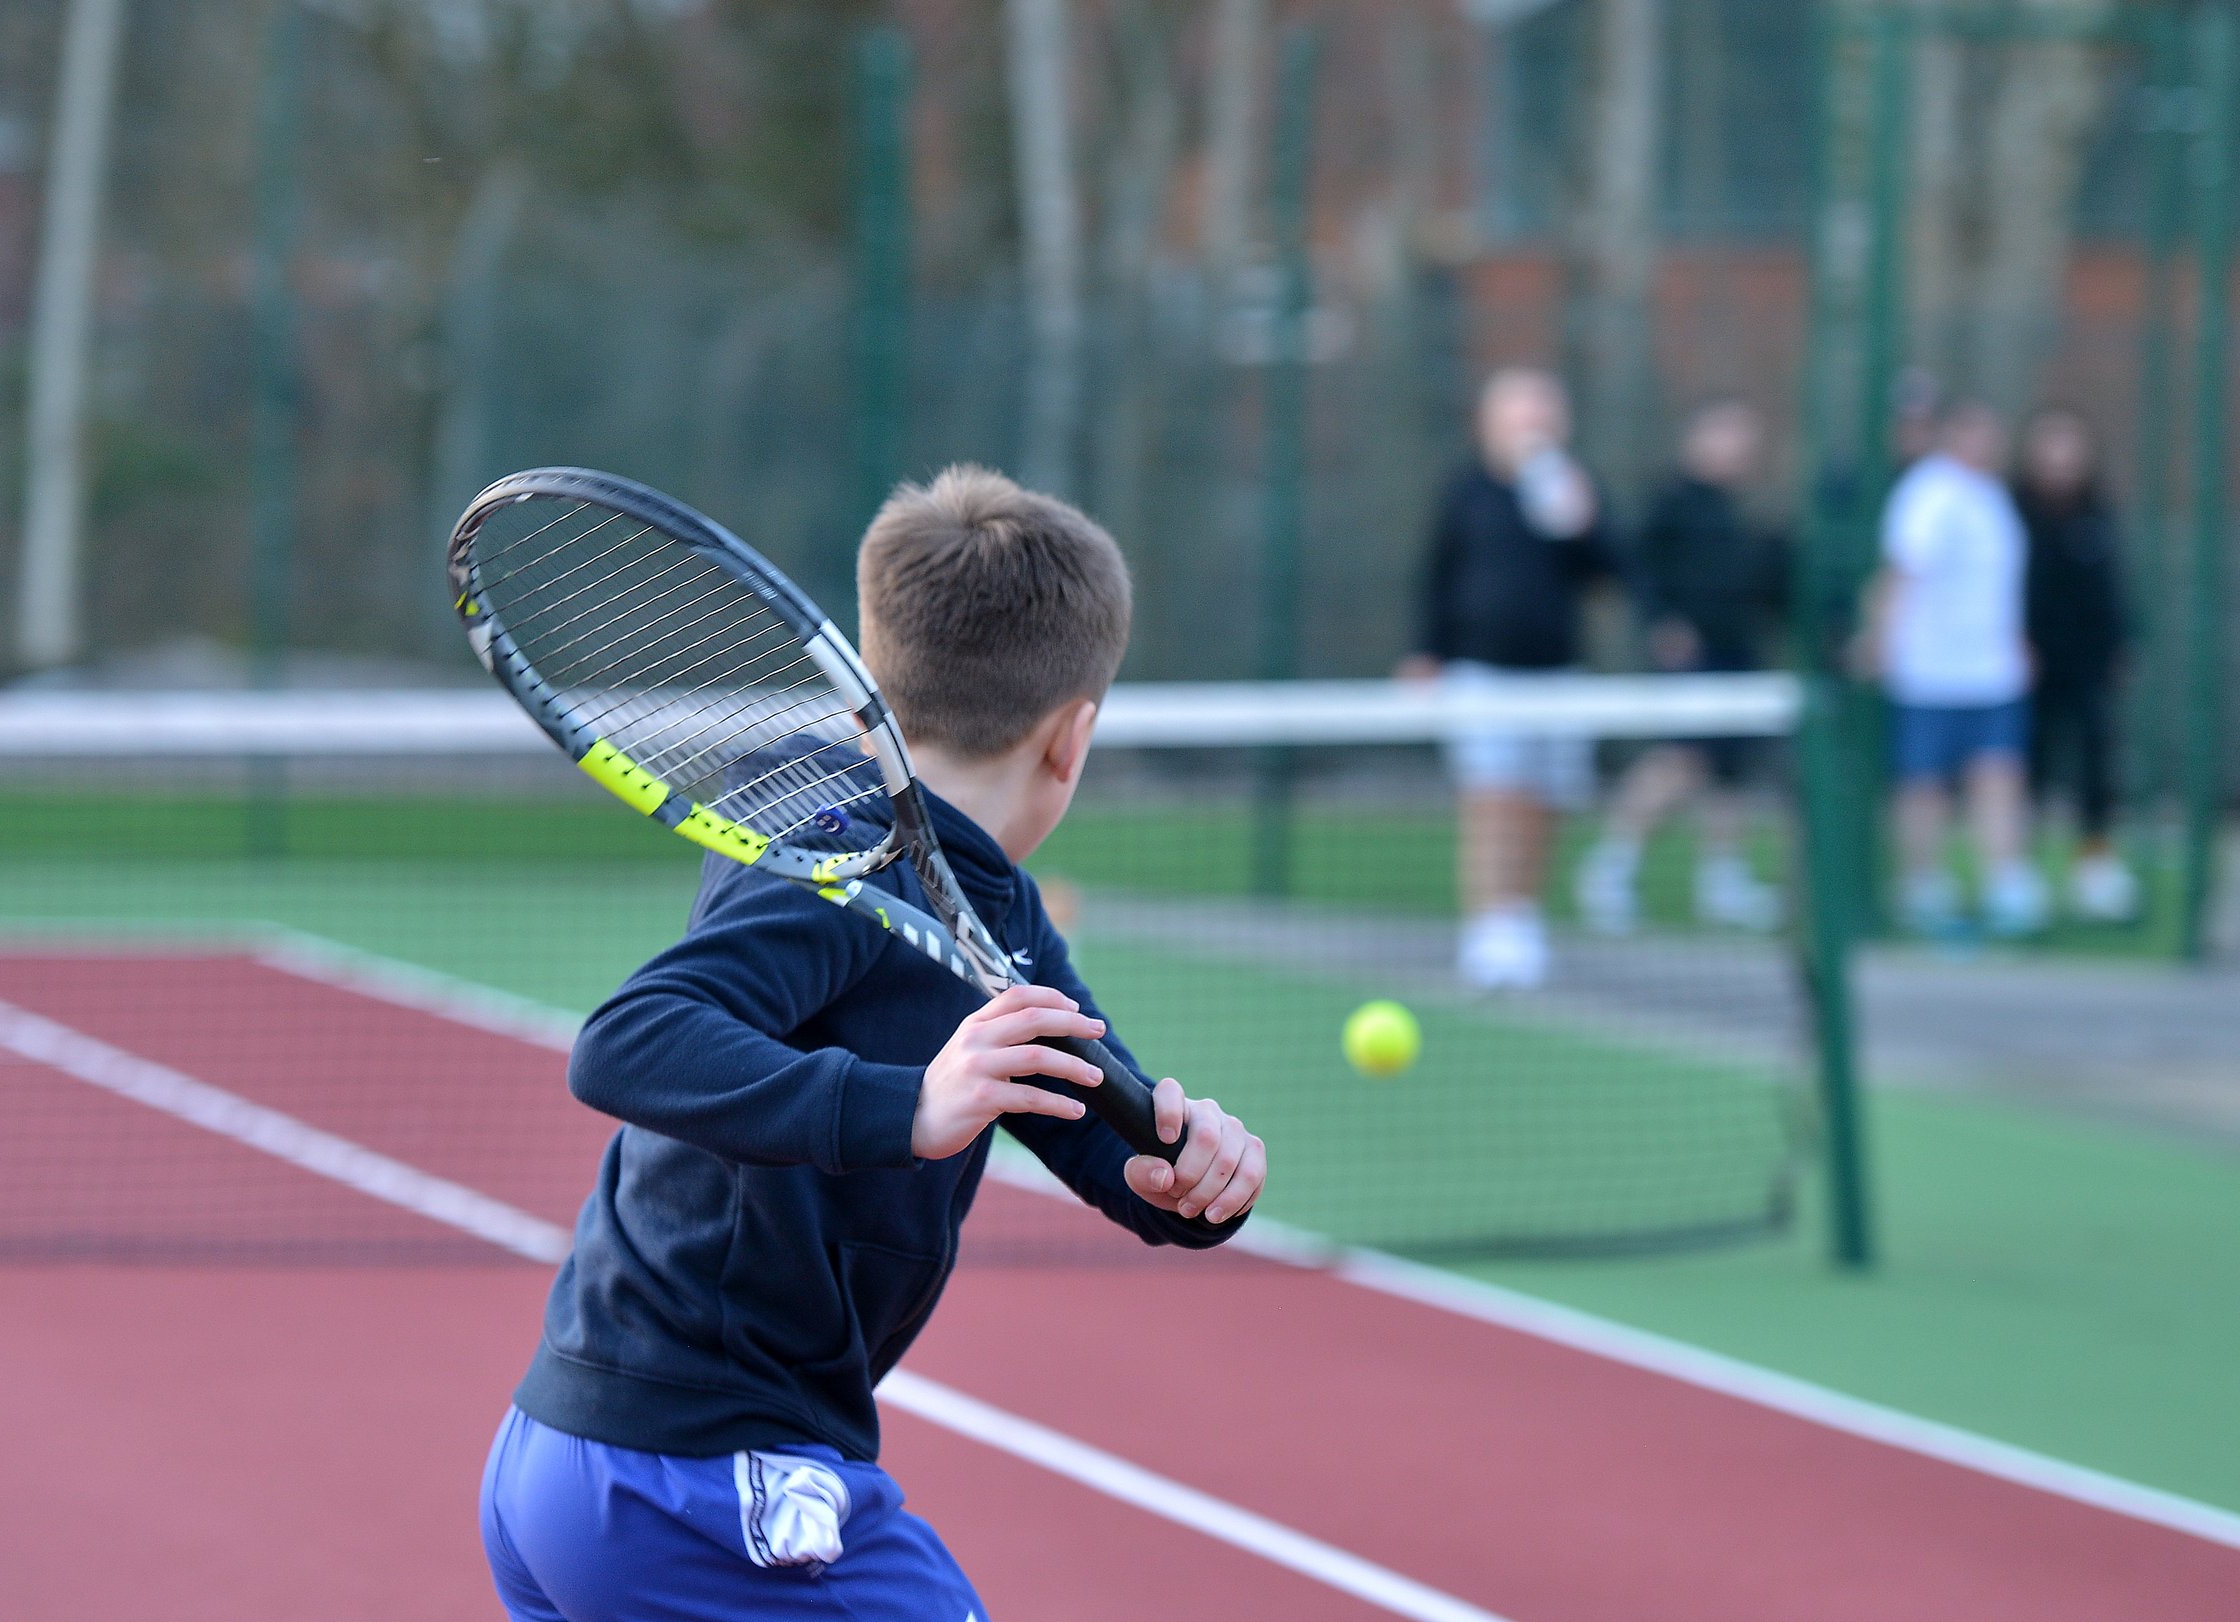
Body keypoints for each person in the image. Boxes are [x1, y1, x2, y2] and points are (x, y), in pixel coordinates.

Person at [479, 467, 1267, 1619]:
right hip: (688, 1472)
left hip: (598, 1469)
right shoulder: (830, 859)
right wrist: (908, 1106)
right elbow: (628, 1040)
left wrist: (1186, 1177)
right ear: (1073, 737)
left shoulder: (996, 905)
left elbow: (1076, 1102)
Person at [1399, 368, 1619, 989]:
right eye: (1519, 414)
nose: (1531, 427)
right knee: (1493, 798)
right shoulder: (1467, 492)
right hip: (1482, 674)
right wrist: (1426, 651)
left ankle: (1523, 918)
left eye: (1542, 415)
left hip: (1557, 676)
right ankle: (1488, 928)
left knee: (1545, 804)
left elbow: (1611, 570)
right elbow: (1437, 576)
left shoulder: (1573, 488)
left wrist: (1581, 519)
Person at [1576, 396, 1788, 935]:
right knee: (1682, 759)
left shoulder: (1740, 511)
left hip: (1738, 657)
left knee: (1727, 772)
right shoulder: (1669, 503)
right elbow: (1636, 571)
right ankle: (1611, 867)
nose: (1738, 448)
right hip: (1693, 658)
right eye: (1726, 433)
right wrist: (1663, 624)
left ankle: (1723, 881)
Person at [1861, 399, 2047, 938]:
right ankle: (1923, 887)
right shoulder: (1928, 492)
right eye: (1971, 431)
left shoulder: (1992, 496)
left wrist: (2017, 643)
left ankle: (2006, 887)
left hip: (1992, 673)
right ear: (1949, 436)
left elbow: (1997, 586)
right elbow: (1901, 573)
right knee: (1924, 787)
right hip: (1930, 674)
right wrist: (1881, 640)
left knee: (2000, 776)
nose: (1983, 443)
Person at [2014, 406, 2140, 922]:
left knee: (2095, 764)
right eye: (2051, 445)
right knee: (2031, 767)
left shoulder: (2096, 512)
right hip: (2031, 665)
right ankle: (2021, 871)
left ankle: (2094, 870)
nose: (2061, 459)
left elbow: (2112, 590)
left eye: (2071, 446)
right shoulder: (2015, 511)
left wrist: (2124, 643)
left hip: (2087, 664)